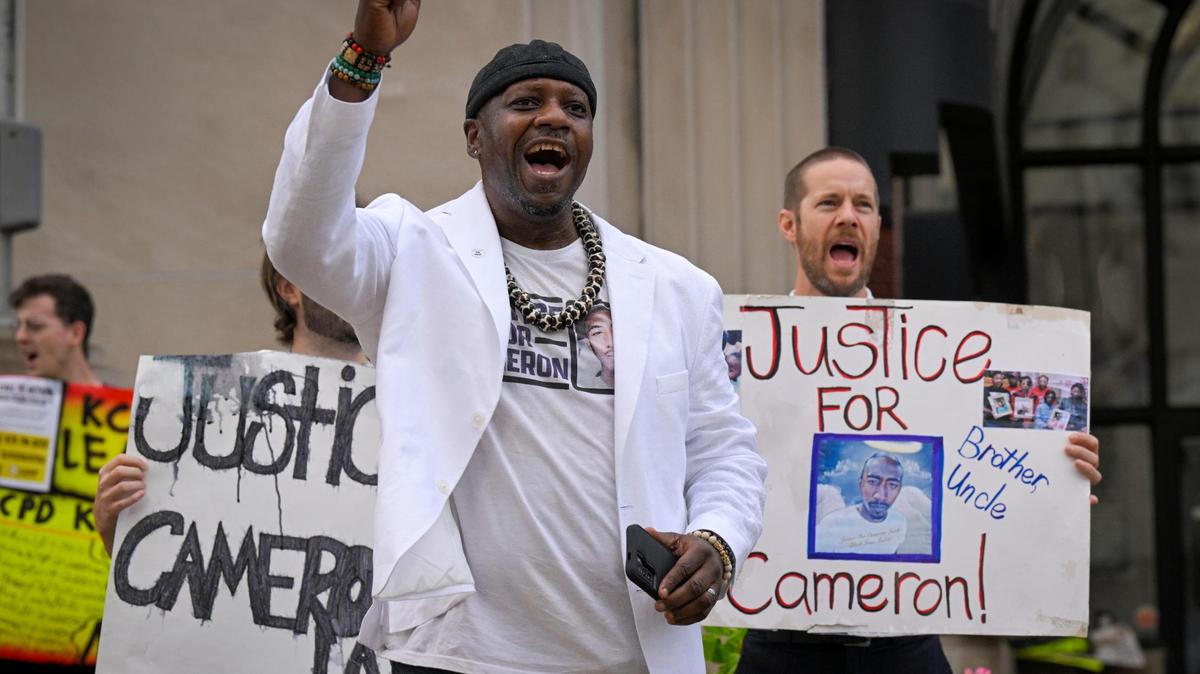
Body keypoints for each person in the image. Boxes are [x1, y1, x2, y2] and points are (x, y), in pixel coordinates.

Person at [261, 3, 767, 673]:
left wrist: (718, 540)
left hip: (633, 653)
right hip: (460, 654)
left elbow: (724, 451)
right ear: (475, 136)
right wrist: (364, 57)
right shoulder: (413, 251)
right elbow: (300, 238)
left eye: (576, 108)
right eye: (526, 102)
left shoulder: (678, 288)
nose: (555, 117)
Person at [735, 147, 1103, 674]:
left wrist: (1053, 485)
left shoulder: (943, 360)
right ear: (789, 224)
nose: (848, 216)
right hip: (783, 650)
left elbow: (988, 478)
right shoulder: (743, 358)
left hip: (908, 649)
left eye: (863, 205)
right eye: (829, 202)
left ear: (878, 227)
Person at [92, 253, 370, 555]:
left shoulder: (414, 410)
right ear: (289, 287)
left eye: (371, 267)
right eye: (341, 265)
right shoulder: (205, 410)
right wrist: (114, 530)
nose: (359, 282)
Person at [10, 273, 101, 385]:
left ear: (75, 333)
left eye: (35, 326)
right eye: (17, 326)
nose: (20, 337)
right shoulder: (8, 401)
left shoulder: (120, 402)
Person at [814, 453, 907, 554]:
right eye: (872, 482)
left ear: (899, 489)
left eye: (892, 485)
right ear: (860, 484)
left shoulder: (899, 521)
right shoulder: (831, 525)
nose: (880, 495)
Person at [576, 301, 615, 387]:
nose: (610, 342)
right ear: (588, 344)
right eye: (598, 333)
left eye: (614, 329)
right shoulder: (586, 387)